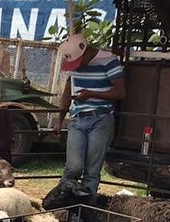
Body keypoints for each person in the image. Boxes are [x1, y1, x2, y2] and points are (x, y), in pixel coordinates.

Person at [54, 33, 126, 209]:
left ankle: (84, 213)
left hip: (101, 118)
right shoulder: (75, 63)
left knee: (92, 171)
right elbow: (67, 91)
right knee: (73, 167)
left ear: (85, 51)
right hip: (78, 118)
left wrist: (92, 94)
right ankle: (63, 207)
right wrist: (60, 119)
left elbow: (120, 92)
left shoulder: (108, 60)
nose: (77, 67)